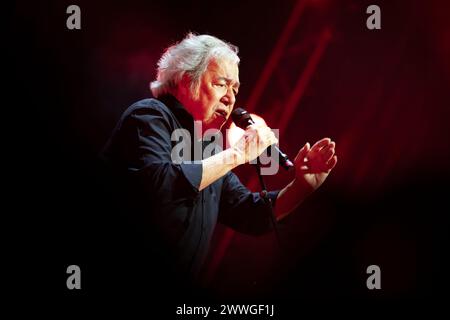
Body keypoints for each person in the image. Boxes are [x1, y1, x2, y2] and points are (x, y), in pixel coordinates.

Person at [100, 33, 337, 295]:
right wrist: (237, 154)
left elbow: (249, 213)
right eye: (221, 84)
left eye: (235, 89)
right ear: (185, 79)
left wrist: (301, 187)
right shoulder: (148, 116)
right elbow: (161, 185)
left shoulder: (206, 147)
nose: (230, 98)